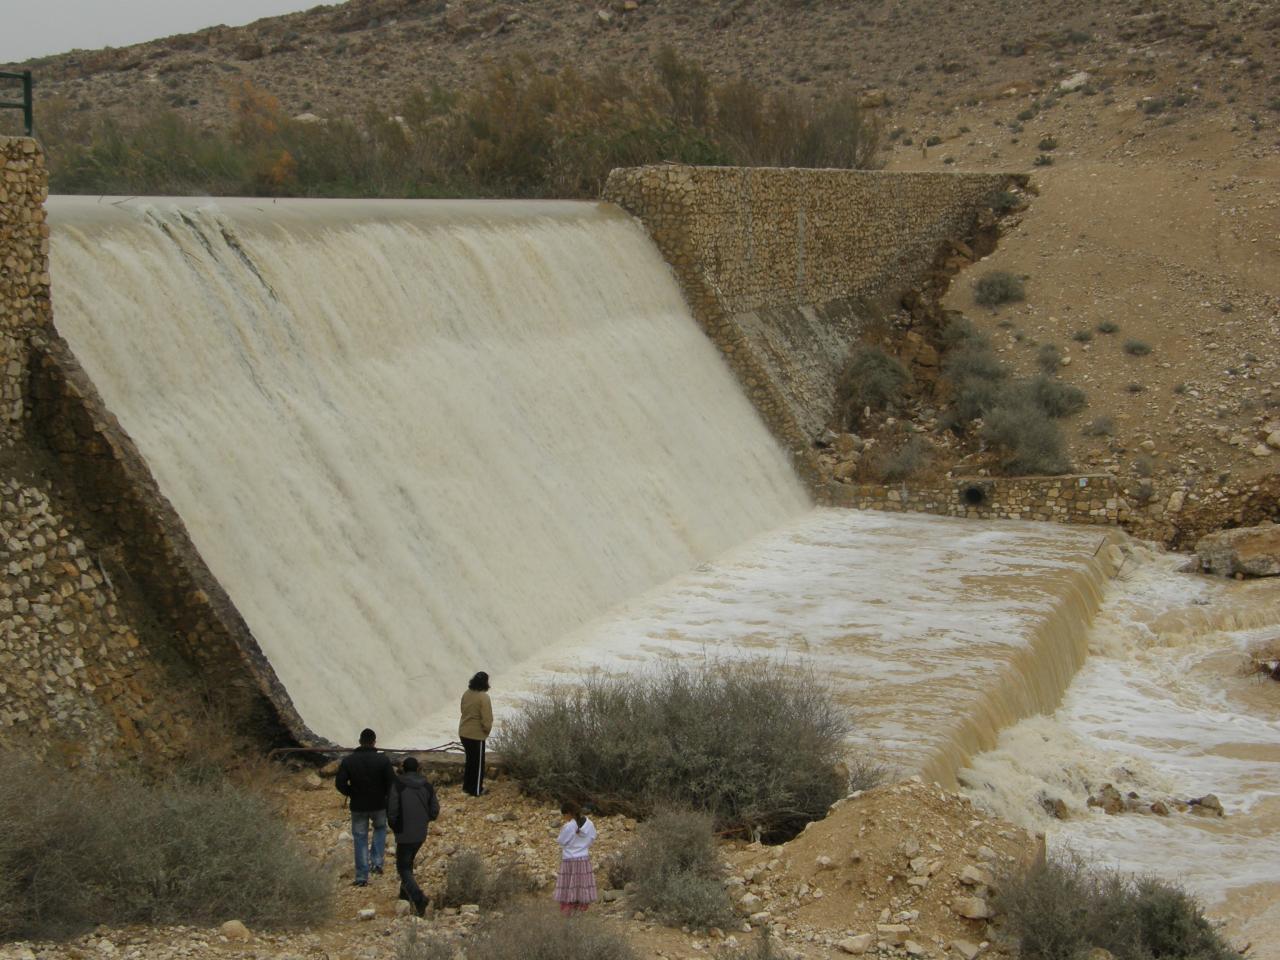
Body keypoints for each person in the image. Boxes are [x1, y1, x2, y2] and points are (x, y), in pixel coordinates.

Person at [335, 727, 395, 887]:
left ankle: (362, 876)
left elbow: (339, 783)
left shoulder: (349, 761)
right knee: (380, 829)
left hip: (358, 805)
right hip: (379, 804)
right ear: (374, 742)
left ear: (360, 742)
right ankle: (377, 864)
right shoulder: (383, 760)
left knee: (360, 837)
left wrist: (351, 792)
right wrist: (385, 796)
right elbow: (392, 783)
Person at [387, 756, 440, 917]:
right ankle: (405, 894)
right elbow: (435, 810)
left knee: (402, 867)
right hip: (420, 832)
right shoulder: (426, 785)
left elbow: (392, 809)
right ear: (418, 768)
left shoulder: (398, 784)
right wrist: (425, 819)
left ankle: (419, 898)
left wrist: (394, 825)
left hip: (403, 830)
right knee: (408, 862)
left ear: (403, 768)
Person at [553, 800, 597, 914]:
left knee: (568, 884)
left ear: (569, 813)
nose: (564, 818)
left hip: (569, 859)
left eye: (564, 815)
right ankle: (581, 907)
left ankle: (568, 908)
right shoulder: (589, 824)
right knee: (581, 884)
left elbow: (561, 841)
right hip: (583, 858)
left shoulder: (568, 826)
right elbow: (593, 838)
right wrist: (583, 846)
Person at [459, 672, 492, 797]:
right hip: (476, 735)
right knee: (478, 764)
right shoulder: (484, 697)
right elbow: (487, 719)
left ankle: (467, 787)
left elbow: (462, 710)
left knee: (470, 761)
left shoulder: (466, 693)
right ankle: (477, 790)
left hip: (463, 732)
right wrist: (486, 731)